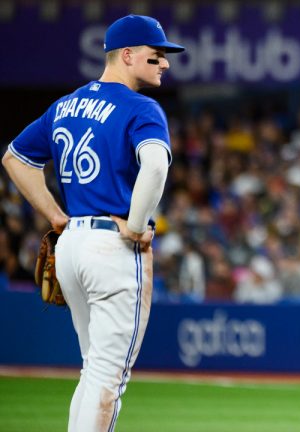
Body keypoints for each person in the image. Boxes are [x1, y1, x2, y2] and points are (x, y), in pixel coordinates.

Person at [2, 15, 183, 432]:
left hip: (72, 246)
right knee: (107, 376)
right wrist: (137, 226)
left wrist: (54, 215)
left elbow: (15, 159)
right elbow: (155, 167)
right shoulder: (141, 107)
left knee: (93, 369)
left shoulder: (64, 105)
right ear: (127, 55)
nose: (165, 65)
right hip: (112, 249)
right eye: (156, 56)